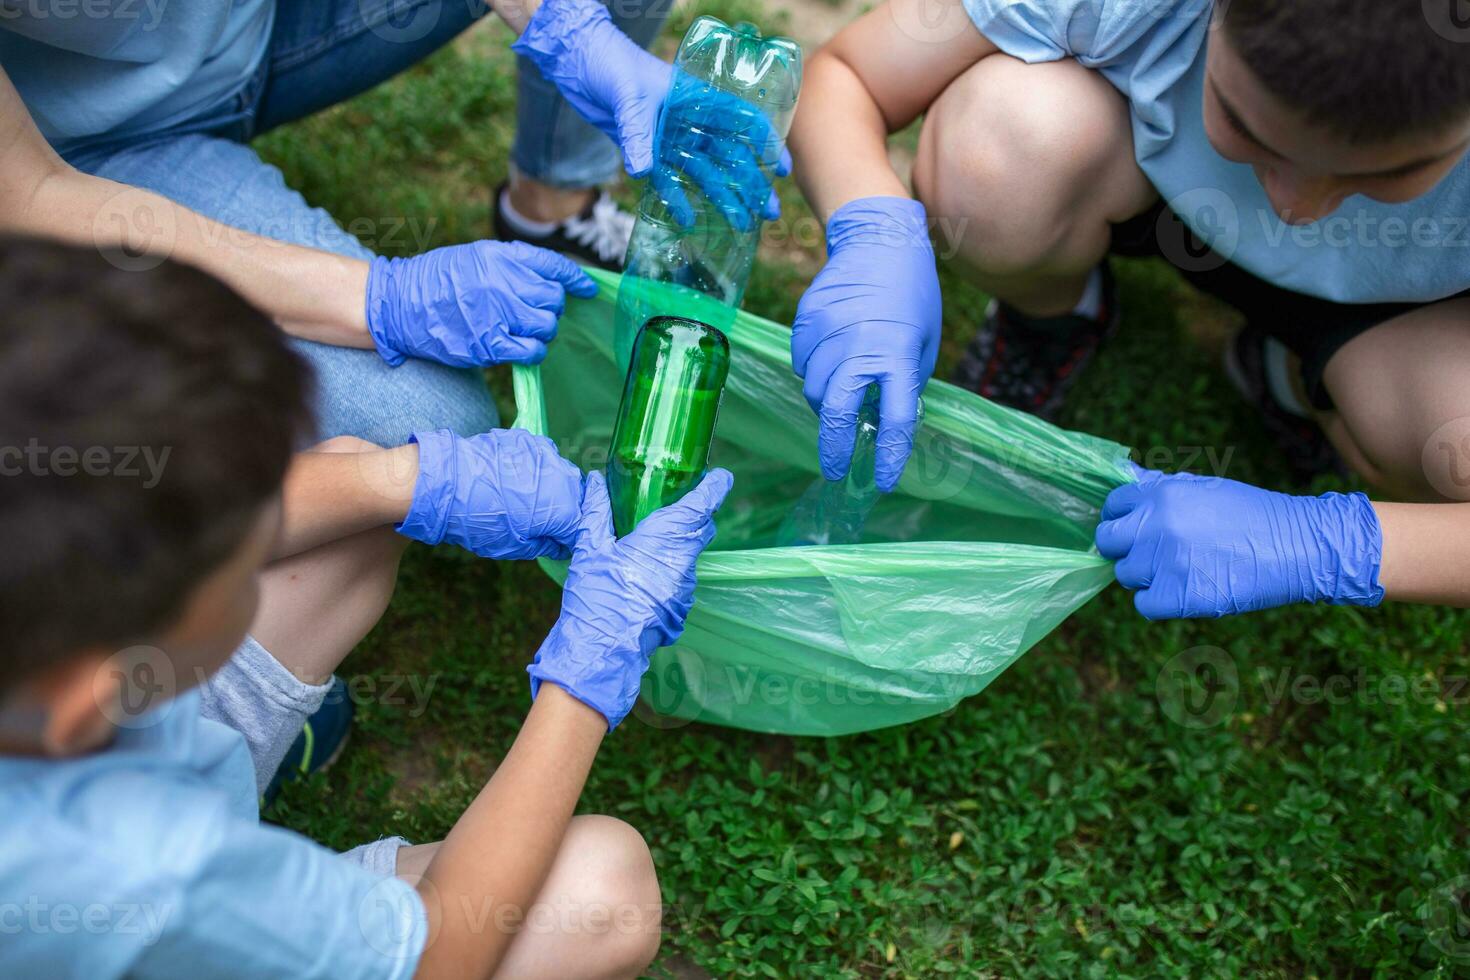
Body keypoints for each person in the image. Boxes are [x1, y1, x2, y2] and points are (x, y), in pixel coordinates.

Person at [0, 236, 733, 977]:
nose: (255, 556)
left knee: (347, 490)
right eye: (233, 567)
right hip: (194, 927)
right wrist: (590, 670)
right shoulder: (144, 870)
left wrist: (404, 480)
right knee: (603, 896)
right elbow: (441, 956)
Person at [785, 0, 1470, 618]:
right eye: (1242, 121)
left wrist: (1335, 547)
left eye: (1384, 172)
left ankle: (1298, 378)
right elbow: (845, 75)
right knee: (995, 150)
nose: (1294, 208)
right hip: (1147, 181)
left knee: (1452, 458)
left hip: (1394, 301)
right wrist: (874, 232)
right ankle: (1053, 318)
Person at [0, 0, 774, 448]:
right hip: (80, 151)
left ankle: (550, 208)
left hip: (267, 25)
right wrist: (385, 298)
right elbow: (28, 192)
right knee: (428, 425)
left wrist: (568, 25)